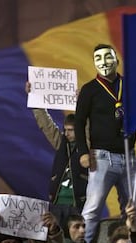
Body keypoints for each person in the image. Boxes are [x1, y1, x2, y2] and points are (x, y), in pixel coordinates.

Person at [74, 43, 136, 243]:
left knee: (131, 210)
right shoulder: (89, 90)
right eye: (98, 59)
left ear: (117, 60)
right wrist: (83, 152)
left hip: (129, 157)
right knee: (92, 209)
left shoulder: (129, 86)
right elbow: (78, 122)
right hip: (101, 158)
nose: (103, 62)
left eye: (108, 57)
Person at [26, 82, 88, 231]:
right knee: (56, 239)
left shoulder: (87, 145)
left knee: (77, 240)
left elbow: (87, 124)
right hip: (56, 204)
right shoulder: (61, 143)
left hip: (78, 205)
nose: (67, 133)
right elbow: (46, 125)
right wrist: (34, 99)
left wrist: (83, 103)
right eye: (65, 130)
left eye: (71, 130)